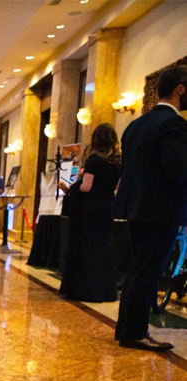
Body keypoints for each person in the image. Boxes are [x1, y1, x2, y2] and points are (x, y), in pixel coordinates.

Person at [113, 65, 187, 351]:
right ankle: (134, 332)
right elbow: (177, 167)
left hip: (136, 208)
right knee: (148, 270)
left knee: (137, 269)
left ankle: (126, 328)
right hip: (160, 210)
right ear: (180, 89)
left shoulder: (135, 125)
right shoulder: (174, 125)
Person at [60, 123, 122, 303]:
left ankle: (86, 289)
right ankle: (105, 290)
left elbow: (87, 187)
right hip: (107, 206)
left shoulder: (95, 160)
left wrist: (74, 186)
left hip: (90, 209)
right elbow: (117, 186)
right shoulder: (117, 161)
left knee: (88, 248)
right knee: (103, 247)